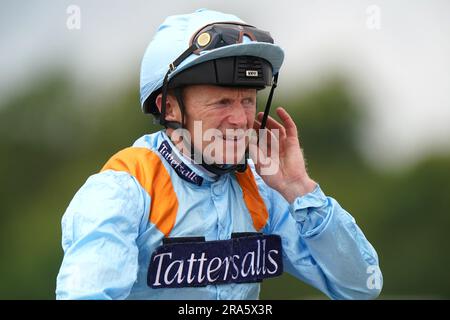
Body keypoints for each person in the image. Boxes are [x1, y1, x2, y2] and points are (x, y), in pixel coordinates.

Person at [56, 8, 382, 300]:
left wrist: (298, 188)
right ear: (169, 107)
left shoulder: (263, 188)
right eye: (222, 103)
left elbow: (359, 287)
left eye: (247, 101)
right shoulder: (122, 189)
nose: (240, 120)